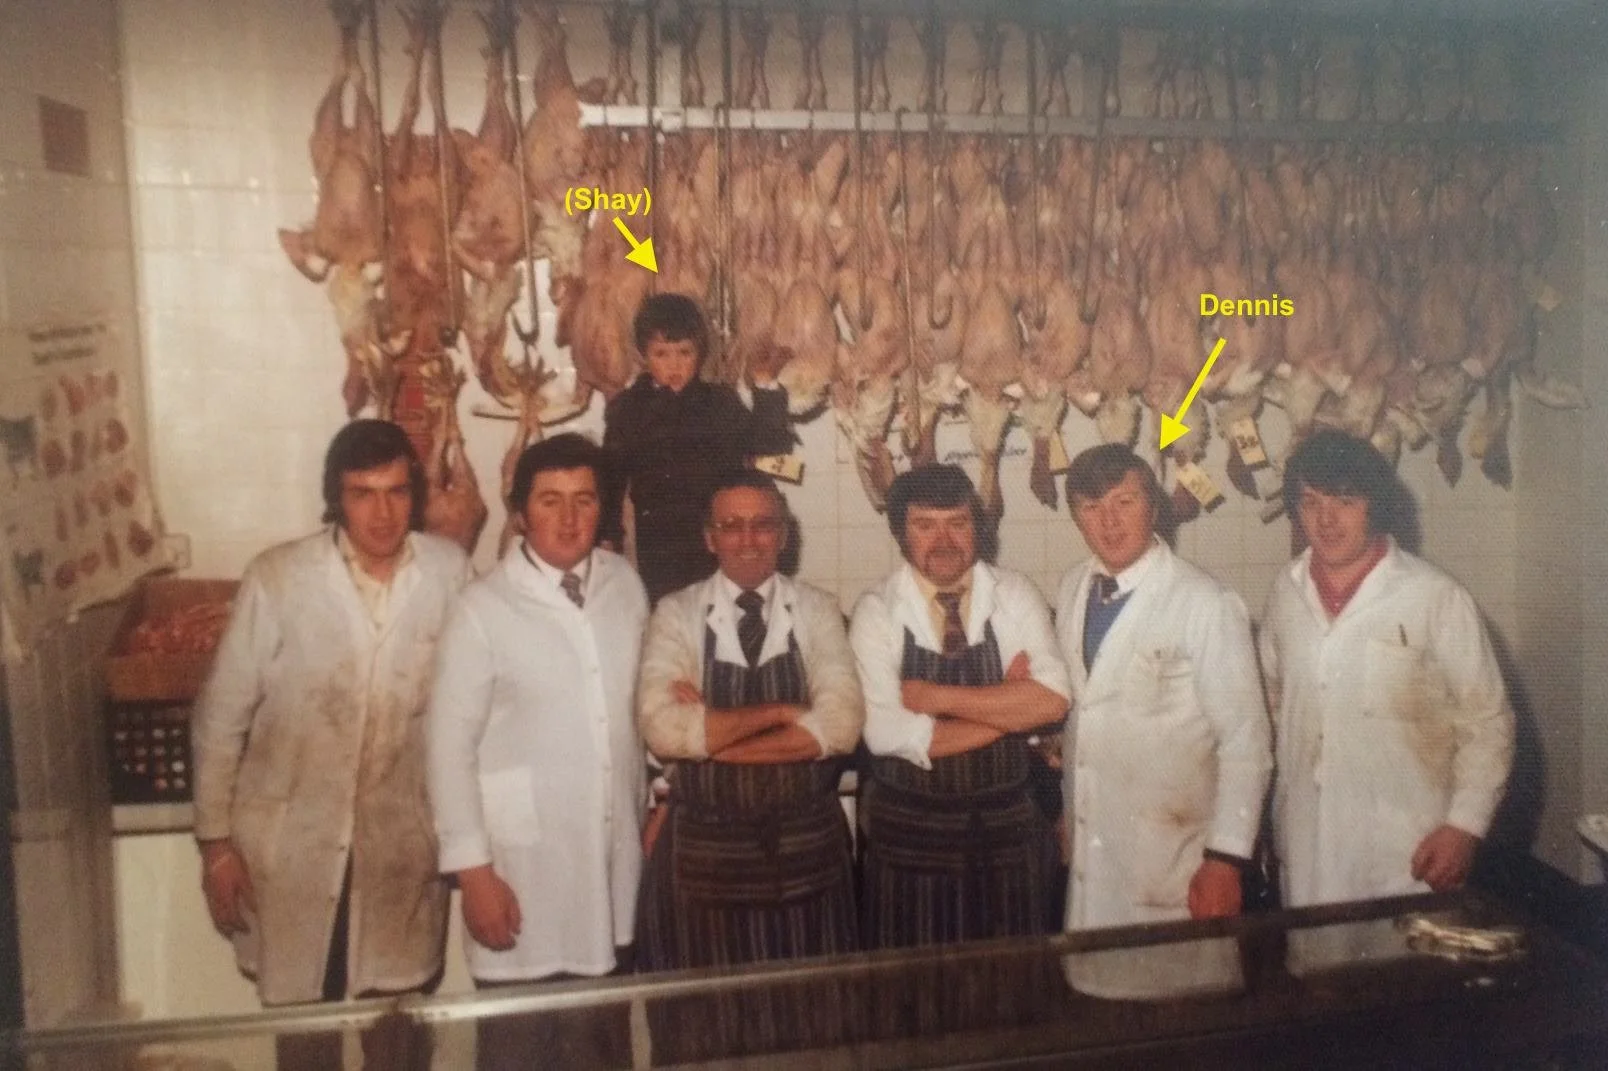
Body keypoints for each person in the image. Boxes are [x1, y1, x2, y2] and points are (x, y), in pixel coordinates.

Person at [191, 419, 468, 1071]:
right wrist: (214, 843)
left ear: (415, 495)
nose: (382, 511)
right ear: (336, 498)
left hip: (401, 838)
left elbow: (473, 710)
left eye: (397, 491)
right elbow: (219, 718)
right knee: (305, 1031)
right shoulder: (279, 578)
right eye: (362, 493)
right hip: (293, 841)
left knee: (399, 1028)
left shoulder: (450, 573)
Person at [427, 433, 648, 1070]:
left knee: (603, 1049)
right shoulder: (481, 608)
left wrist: (656, 799)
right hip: (518, 877)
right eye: (549, 501)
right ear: (520, 511)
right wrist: (473, 873)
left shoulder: (625, 586)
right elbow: (447, 751)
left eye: (584, 500)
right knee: (522, 1052)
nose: (569, 518)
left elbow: (636, 714)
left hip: (612, 866)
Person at [1260, 429, 1514, 972]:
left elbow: (1487, 721)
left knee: (1410, 1006)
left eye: (1344, 502)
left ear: (1375, 505)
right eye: (1311, 502)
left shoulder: (1435, 597)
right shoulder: (1285, 591)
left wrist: (1465, 826)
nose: (1326, 520)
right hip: (1307, 844)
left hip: (1409, 850)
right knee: (1318, 996)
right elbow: (1271, 700)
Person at [635, 469, 863, 1059]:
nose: (748, 538)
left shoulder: (818, 610)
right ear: (709, 537)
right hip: (703, 868)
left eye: (762, 524)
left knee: (814, 1037)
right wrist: (789, 712)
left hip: (808, 862)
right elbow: (661, 727)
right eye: (731, 526)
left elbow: (840, 724)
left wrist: (712, 735)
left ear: (783, 533)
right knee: (705, 1041)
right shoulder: (676, 612)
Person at [850, 464, 1070, 1031]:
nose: (944, 540)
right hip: (910, 845)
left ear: (978, 527)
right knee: (918, 1008)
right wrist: (1006, 711)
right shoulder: (876, 612)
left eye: (958, 523)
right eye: (925, 525)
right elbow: (886, 734)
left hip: (1009, 838)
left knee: (1017, 1004)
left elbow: (1052, 703)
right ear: (901, 533)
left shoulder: (1013, 593)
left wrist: (931, 696)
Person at [1053, 444, 1271, 999]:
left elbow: (1246, 744)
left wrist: (1227, 860)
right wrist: (1067, 807)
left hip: (1177, 859)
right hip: (1095, 849)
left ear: (1154, 505)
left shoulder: (1206, 603)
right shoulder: (1073, 588)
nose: (1108, 521)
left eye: (1124, 502)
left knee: (1178, 1020)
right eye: (1089, 505)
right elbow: (1086, 717)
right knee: (1099, 1014)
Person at [601, 292, 795, 603]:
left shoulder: (719, 402)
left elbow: (768, 444)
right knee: (669, 613)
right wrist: (608, 538)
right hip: (659, 539)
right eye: (661, 354)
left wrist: (765, 384)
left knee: (722, 611)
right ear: (643, 356)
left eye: (684, 353)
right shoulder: (628, 410)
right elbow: (610, 481)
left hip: (719, 536)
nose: (674, 365)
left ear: (700, 353)